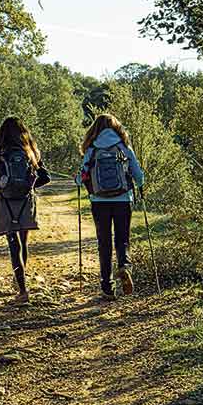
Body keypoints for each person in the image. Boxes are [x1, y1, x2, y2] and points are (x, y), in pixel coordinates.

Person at [0, 116, 51, 303]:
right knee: (23, 243)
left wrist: (0, 185)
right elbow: (46, 178)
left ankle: (22, 289)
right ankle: (20, 285)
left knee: (14, 245)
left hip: (7, 201)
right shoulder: (30, 152)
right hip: (26, 200)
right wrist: (30, 186)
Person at [77, 113, 145, 300]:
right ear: (116, 128)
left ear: (95, 130)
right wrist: (139, 184)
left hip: (99, 202)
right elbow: (138, 176)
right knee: (122, 239)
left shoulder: (91, 149)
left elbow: (79, 178)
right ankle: (124, 266)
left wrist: (81, 180)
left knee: (104, 243)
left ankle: (107, 287)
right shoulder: (123, 147)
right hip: (123, 199)